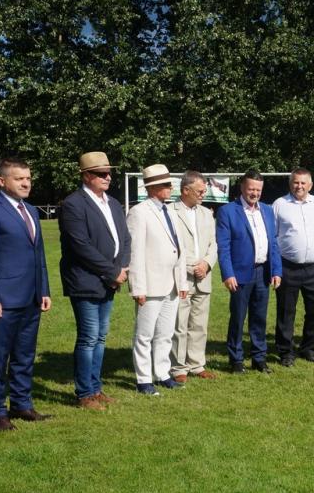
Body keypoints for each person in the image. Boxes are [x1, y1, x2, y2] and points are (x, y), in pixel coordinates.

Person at [0, 157, 52, 431]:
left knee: (25, 355)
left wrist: (44, 289)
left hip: (31, 298)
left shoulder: (31, 210)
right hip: (4, 300)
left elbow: (38, 255)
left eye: (28, 178)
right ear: (1, 181)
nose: (26, 183)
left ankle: (21, 404)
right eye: (19, 179)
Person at [59, 152, 131, 410]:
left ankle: (95, 388)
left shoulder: (113, 203)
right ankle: (84, 393)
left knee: (100, 337)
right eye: (101, 173)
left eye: (108, 172)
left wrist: (122, 267)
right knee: (89, 337)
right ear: (86, 176)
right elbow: (81, 246)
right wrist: (112, 272)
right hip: (85, 280)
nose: (107, 177)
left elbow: (125, 239)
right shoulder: (73, 204)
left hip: (110, 279)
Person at [127, 164, 188, 395]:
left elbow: (179, 249)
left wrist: (182, 282)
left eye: (170, 183)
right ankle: (143, 379)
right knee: (144, 335)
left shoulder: (170, 211)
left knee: (165, 333)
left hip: (171, 284)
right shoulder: (139, 212)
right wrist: (138, 287)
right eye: (165, 184)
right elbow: (135, 253)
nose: (170, 188)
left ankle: (162, 373)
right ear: (152, 188)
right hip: (150, 285)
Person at [216, 170, 282, 374]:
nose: (255, 193)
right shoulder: (228, 211)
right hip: (239, 274)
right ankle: (236, 359)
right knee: (238, 318)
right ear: (242, 187)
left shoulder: (267, 211)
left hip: (263, 272)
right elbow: (223, 247)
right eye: (251, 189)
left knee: (259, 318)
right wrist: (228, 274)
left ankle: (259, 358)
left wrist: (276, 270)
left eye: (258, 190)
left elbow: (273, 243)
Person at [272, 168, 314, 367]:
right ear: (290, 184)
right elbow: (273, 237)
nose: (299, 186)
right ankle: (285, 351)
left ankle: (308, 347)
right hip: (287, 266)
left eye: (303, 183)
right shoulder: (279, 205)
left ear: (310, 185)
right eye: (296, 182)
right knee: (286, 311)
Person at [169, 171, 218, 382]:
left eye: (204, 190)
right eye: (199, 191)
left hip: (203, 276)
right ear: (185, 190)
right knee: (179, 324)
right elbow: (171, 246)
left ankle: (197, 365)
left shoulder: (207, 213)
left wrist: (206, 264)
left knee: (199, 324)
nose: (203, 194)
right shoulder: (170, 212)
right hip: (182, 276)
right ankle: (178, 367)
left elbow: (213, 244)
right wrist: (191, 266)